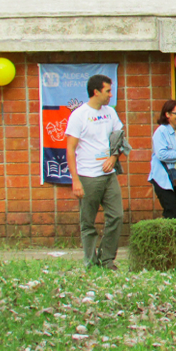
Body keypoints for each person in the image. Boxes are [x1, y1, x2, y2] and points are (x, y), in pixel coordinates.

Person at [66, 74, 125, 271]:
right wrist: (75, 180)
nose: (111, 94)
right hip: (88, 176)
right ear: (96, 92)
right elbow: (70, 149)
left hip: (109, 176)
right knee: (88, 222)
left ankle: (107, 259)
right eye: (108, 91)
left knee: (116, 216)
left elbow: (119, 138)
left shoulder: (110, 112)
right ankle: (91, 263)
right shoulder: (79, 115)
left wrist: (113, 158)